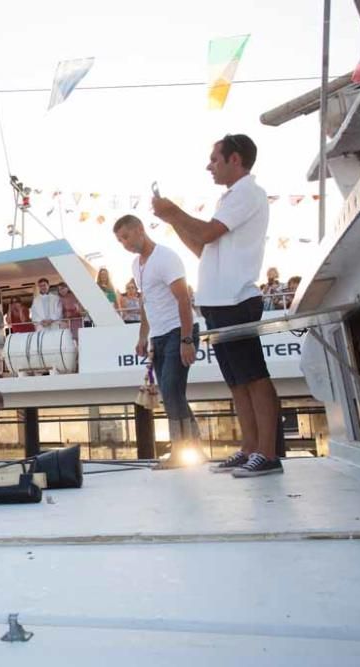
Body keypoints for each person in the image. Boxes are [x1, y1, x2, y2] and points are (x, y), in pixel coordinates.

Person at [152, 133, 282, 477]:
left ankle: (268, 454)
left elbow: (207, 235)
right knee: (237, 380)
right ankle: (251, 448)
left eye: (214, 159)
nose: (209, 166)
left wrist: (175, 211)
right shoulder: (231, 198)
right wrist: (172, 219)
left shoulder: (246, 193)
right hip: (219, 301)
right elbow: (203, 247)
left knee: (254, 377)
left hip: (236, 298)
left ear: (234, 159)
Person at [114, 215, 201, 468]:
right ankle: (193, 447)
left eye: (126, 237)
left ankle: (180, 453)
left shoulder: (166, 258)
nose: (124, 244)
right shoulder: (135, 265)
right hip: (159, 335)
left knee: (173, 390)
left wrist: (186, 339)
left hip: (179, 331)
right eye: (120, 241)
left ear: (140, 230)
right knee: (170, 392)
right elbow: (146, 302)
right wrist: (143, 336)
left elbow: (183, 299)